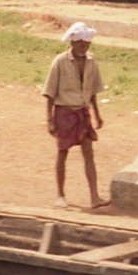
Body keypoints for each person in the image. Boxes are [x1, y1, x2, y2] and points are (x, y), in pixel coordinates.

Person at [43, 22, 110, 209]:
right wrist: (49, 119)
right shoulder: (60, 62)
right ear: (72, 42)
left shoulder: (91, 62)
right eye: (80, 43)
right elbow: (49, 92)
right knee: (62, 152)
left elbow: (93, 91)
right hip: (64, 112)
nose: (84, 46)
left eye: (87, 43)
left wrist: (97, 115)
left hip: (83, 111)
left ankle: (95, 197)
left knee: (89, 152)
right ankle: (60, 195)